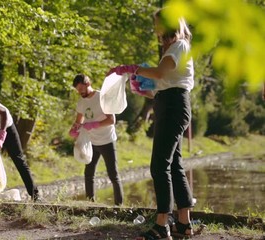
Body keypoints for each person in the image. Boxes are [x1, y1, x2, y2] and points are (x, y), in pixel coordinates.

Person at [108, 8, 195, 240]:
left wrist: (131, 68)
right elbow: (162, 85)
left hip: (174, 107)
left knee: (159, 166)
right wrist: (141, 89)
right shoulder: (172, 48)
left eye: (157, 24)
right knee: (174, 165)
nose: (155, 29)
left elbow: (159, 72)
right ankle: (184, 224)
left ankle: (161, 225)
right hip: (168, 104)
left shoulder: (179, 46)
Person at [69, 74, 123, 206]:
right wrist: (74, 130)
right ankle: (90, 204)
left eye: (81, 89)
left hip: (107, 140)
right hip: (91, 142)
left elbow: (111, 120)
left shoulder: (102, 97)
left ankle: (119, 206)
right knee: (89, 173)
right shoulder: (81, 102)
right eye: (77, 90)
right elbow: (78, 121)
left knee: (113, 174)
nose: (80, 92)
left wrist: (93, 124)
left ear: (88, 84)